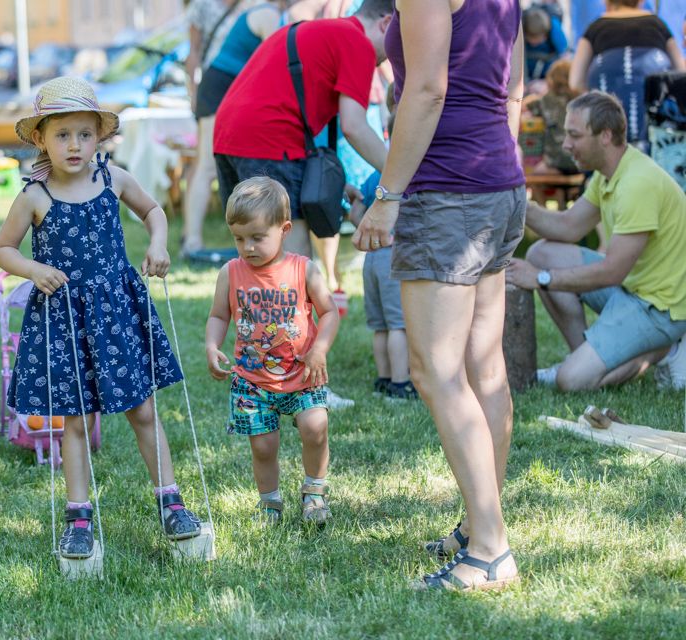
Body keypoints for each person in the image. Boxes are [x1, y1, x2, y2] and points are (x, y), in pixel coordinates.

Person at [353, 0, 525, 590]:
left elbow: (425, 89)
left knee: (437, 371)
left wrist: (388, 195)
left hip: (448, 188)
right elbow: (513, 93)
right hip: (497, 179)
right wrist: (501, 169)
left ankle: (490, 550)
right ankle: (483, 524)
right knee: (484, 368)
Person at [0, 77, 202, 559]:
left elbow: (154, 212)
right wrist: (34, 268)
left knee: (143, 409)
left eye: (85, 134)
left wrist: (158, 243)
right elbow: (3, 249)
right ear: (41, 137)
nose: (74, 145)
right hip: (65, 316)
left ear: (99, 138)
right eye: (62, 134)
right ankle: (78, 514)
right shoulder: (35, 195)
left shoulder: (113, 178)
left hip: (115, 313)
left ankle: (171, 502)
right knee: (76, 421)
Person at [507, 91, 686, 391]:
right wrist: (514, 202)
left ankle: (666, 349)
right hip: (633, 289)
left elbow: (612, 271)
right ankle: (586, 356)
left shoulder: (636, 184)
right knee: (541, 251)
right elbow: (567, 226)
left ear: (605, 136)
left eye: (574, 135)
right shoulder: (608, 174)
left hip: (662, 306)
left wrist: (540, 278)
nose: (565, 144)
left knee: (571, 382)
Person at [204, 177, 339, 525]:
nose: (247, 247)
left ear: (285, 229)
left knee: (316, 425)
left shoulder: (304, 269)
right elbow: (220, 315)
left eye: (257, 237)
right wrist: (211, 345)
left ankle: (314, 492)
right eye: (238, 238)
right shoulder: (230, 273)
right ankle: (270, 503)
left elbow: (329, 313)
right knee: (263, 447)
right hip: (252, 381)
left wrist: (320, 349)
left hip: (303, 374)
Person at [213, 0, 391, 260]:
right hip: (268, 139)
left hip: (228, 136)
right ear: (386, 24)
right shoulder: (358, 43)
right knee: (290, 262)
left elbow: (286, 104)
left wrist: (339, 184)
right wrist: (399, 175)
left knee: (256, 254)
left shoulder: (322, 31)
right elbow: (354, 126)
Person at [184, 1, 294, 257]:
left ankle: (193, 239)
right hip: (219, 88)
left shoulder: (262, 12)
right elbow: (277, 58)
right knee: (207, 166)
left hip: (228, 89)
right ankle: (192, 242)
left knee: (206, 166)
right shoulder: (267, 14)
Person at [569, 0, 686, 146]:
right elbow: (681, 73)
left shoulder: (595, 28)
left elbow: (575, 82)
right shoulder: (658, 25)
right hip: (653, 132)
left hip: (609, 132)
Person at [349, 174, 418, 401]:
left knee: (380, 325)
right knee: (398, 324)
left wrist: (370, 235)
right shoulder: (409, 169)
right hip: (393, 255)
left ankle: (384, 380)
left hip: (371, 257)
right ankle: (400, 384)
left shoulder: (374, 175)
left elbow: (354, 214)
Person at [523, 5, 568, 90]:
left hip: (546, 76)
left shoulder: (554, 28)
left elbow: (564, 57)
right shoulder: (522, 26)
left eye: (541, 38)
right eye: (534, 39)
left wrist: (547, 83)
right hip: (527, 77)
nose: (539, 41)